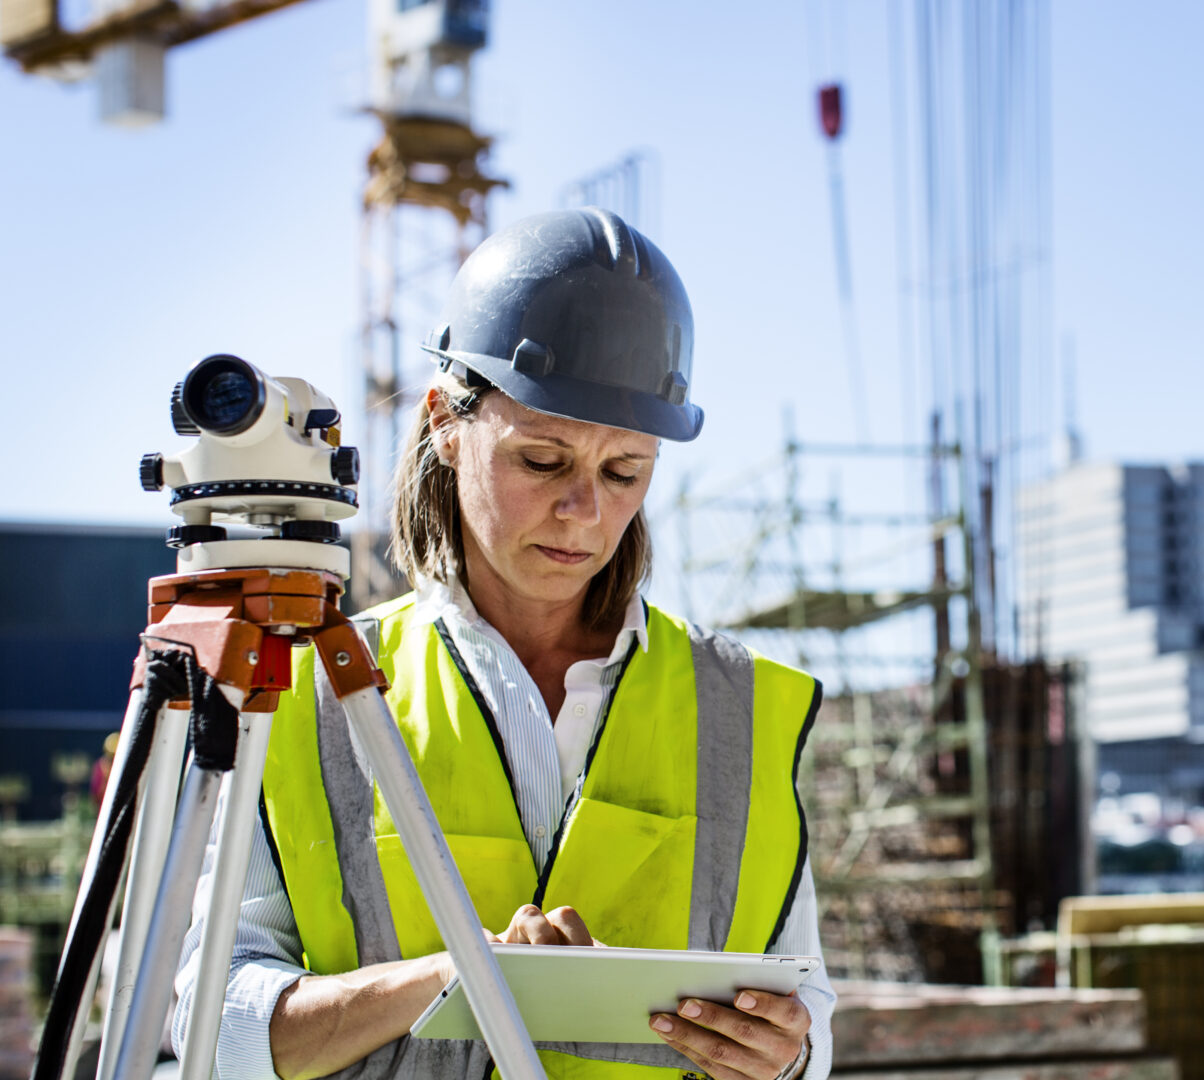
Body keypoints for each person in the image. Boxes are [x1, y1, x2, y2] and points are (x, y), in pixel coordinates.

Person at [171, 209, 832, 1080]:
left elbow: (806, 1016)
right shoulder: (306, 694)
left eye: (624, 472)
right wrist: (463, 978)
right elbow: (216, 1036)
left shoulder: (741, 707)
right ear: (447, 421)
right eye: (543, 461)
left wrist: (786, 1052)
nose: (584, 512)